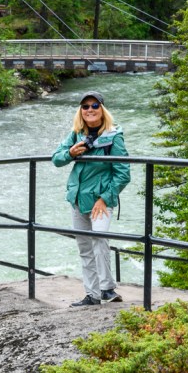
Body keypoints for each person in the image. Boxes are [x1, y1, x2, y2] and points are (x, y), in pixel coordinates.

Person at [52, 90, 131, 306]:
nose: (90, 110)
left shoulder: (113, 137)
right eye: (85, 106)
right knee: (85, 247)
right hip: (78, 199)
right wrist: (71, 153)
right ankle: (92, 294)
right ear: (81, 111)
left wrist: (104, 198)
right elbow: (56, 159)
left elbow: (123, 173)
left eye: (95, 106)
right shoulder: (76, 134)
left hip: (100, 201)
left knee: (99, 240)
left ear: (102, 110)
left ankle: (107, 289)